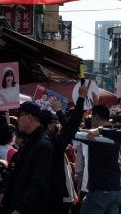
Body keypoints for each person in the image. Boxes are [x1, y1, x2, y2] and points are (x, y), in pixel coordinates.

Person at [0, 101, 53, 213]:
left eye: (19, 116)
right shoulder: (28, 142)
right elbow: (18, 174)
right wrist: (5, 193)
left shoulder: (43, 145)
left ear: (29, 117)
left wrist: (21, 209)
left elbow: (39, 183)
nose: (17, 120)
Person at [44, 83, 86, 214]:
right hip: (55, 194)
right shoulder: (53, 142)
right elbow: (71, 128)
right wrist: (80, 99)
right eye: (54, 122)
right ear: (49, 125)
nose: (56, 125)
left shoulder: (29, 143)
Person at [78, 104, 121, 214]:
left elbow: (74, 132)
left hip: (99, 193)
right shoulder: (115, 132)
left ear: (96, 117)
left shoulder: (96, 138)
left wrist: (59, 112)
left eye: (92, 117)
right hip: (116, 191)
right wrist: (95, 105)